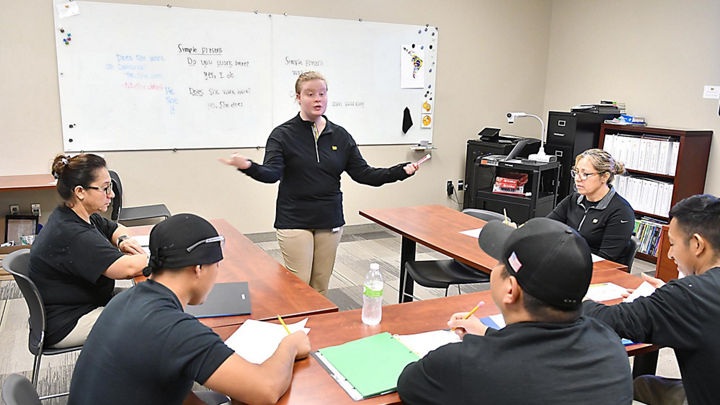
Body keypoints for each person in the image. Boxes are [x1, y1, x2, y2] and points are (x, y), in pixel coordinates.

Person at [68, 213, 310, 405]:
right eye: (216, 266)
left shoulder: (126, 300)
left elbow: (170, 389)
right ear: (198, 268)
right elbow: (265, 390)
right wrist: (290, 345)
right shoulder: (175, 330)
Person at [396, 217, 633, 404]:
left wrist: (483, 347)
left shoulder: (462, 363)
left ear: (510, 289)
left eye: (500, 263)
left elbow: (409, 383)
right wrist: (490, 336)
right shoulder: (610, 344)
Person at [220, 71, 418, 294]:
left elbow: (364, 174)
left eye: (322, 94)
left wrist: (400, 171)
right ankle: (296, 327)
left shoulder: (340, 136)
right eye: (310, 94)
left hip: (329, 218)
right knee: (300, 286)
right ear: (298, 97)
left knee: (321, 284)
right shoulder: (282, 135)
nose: (317, 99)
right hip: (294, 219)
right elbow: (271, 173)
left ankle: (317, 328)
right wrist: (248, 166)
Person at [583, 194, 720, 405]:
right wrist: (668, 295)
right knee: (644, 384)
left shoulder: (686, 296)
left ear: (697, 244)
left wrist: (580, 297)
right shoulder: (692, 296)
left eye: (672, 244)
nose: (670, 255)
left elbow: (610, 319)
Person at [29, 153, 147, 348]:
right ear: (80, 192)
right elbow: (127, 269)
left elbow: (116, 228)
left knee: (150, 300)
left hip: (81, 302)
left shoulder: (74, 213)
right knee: (149, 319)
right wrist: (170, 253)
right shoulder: (73, 234)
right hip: (68, 321)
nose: (112, 195)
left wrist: (123, 241)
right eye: (105, 188)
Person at [547, 148, 634, 263]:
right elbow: (546, 226)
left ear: (604, 177)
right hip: (569, 261)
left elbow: (606, 259)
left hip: (599, 270)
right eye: (576, 172)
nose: (578, 179)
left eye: (586, 174)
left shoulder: (621, 211)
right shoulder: (573, 200)